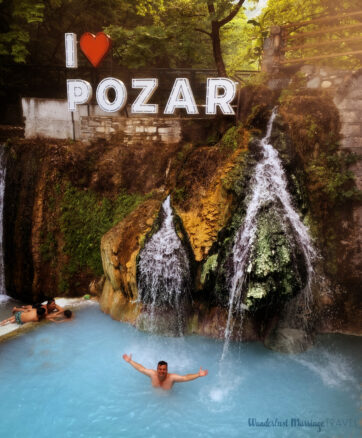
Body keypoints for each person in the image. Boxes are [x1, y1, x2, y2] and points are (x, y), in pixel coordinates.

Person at [122, 354, 208, 390]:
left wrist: (198, 375)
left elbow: (185, 377)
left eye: (164, 369)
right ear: (157, 369)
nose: (162, 371)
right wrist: (130, 361)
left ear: (167, 370)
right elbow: (141, 368)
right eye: (160, 369)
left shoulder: (171, 378)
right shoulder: (152, 374)